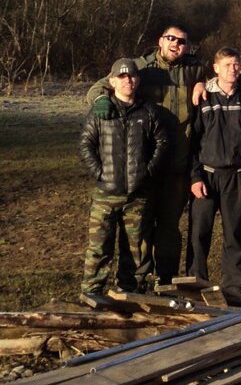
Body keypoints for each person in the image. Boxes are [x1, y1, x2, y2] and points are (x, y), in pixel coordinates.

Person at [86, 24, 206, 287]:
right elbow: (99, 86)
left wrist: (230, 85)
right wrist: (100, 100)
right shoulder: (142, 68)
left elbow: (227, 72)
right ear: (160, 41)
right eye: (171, 39)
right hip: (142, 163)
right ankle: (136, 280)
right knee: (139, 227)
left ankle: (166, 278)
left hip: (176, 164)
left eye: (182, 41)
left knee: (168, 227)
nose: (177, 44)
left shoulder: (195, 68)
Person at [78, 58, 169, 297]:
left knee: (136, 247)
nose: (128, 80)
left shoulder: (149, 111)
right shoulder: (101, 111)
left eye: (132, 76)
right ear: (112, 81)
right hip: (106, 194)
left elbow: (162, 142)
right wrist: (100, 173)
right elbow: (86, 145)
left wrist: (147, 172)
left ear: (138, 80)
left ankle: (129, 289)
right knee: (99, 246)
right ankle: (92, 292)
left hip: (138, 194)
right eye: (122, 76)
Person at [187, 47, 241, 306]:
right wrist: (195, 177)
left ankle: (234, 286)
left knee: (234, 234)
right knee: (200, 233)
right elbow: (193, 142)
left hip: (238, 177)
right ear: (216, 68)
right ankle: (196, 283)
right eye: (228, 64)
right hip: (207, 177)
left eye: (237, 64)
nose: (233, 68)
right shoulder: (204, 98)